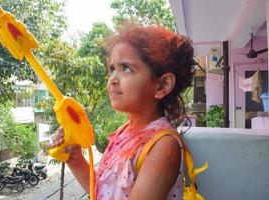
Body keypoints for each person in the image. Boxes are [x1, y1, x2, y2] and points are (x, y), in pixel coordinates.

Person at [49, 23, 195, 200]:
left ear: (162, 85)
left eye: (126, 68)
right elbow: (102, 192)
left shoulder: (163, 146)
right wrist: (75, 159)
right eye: (112, 69)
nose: (112, 80)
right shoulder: (123, 132)